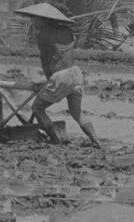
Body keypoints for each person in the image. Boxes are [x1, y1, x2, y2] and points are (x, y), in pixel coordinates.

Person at [25, 8, 101, 147]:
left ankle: (55, 140)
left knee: (37, 108)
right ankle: (96, 141)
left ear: (45, 19)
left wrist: (49, 81)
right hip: (75, 73)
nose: (34, 22)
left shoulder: (43, 35)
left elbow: (45, 61)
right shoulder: (66, 31)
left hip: (61, 76)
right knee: (77, 113)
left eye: (36, 19)